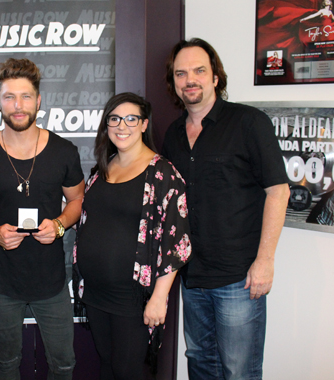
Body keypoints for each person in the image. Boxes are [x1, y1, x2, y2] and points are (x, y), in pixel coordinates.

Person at [163, 38, 290, 380]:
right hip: (191, 277)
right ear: (174, 82)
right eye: (181, 73)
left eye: (199, 70)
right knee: (201, 364)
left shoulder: (249, 122)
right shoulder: (173, 135)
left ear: (215, 76)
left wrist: (265, 261)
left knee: (239, 372)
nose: (191, 79)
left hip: (239, 278)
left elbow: (278, 191)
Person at [0, 58, 85, 380]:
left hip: (52, 282)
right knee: (6, 362)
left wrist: (59, 225)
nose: (18, 106)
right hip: (1, 281)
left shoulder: (64, 152)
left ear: (38, 100)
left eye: (26, 96)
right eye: (9, 97)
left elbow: (77, 200)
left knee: (63, 363)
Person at [72, 93, 192, 380]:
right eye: (114, 119)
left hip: (131, 297)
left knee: (129, 372)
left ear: (143, 124)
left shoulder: (163, 173)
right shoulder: (102, 170)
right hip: (97, 293)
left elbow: (178, 244)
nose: (121, 126)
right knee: (108, 366)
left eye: (130, 119)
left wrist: (159, 298)